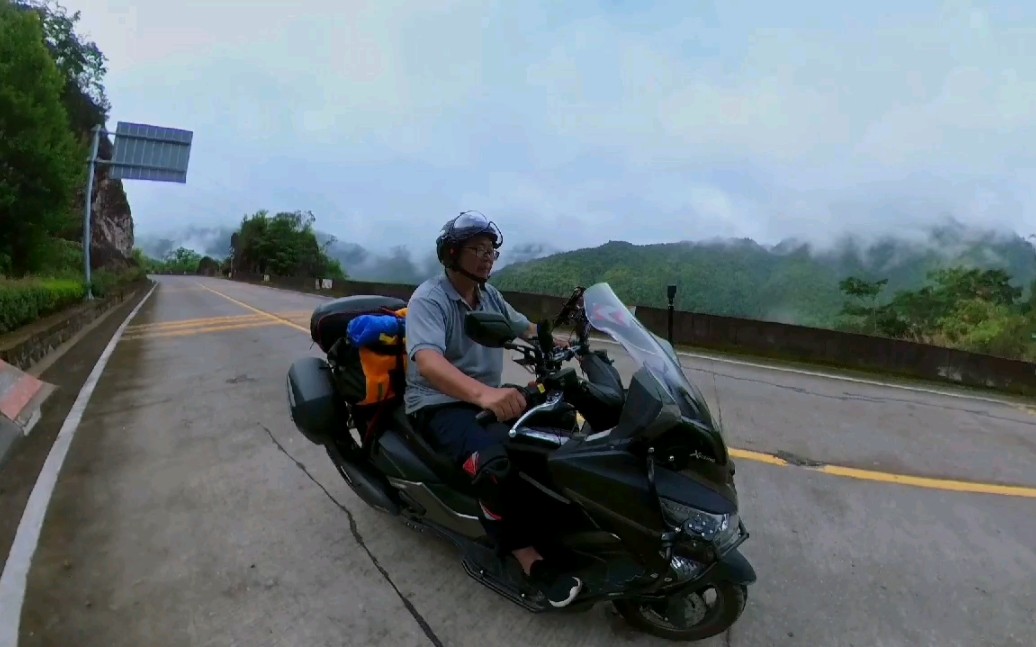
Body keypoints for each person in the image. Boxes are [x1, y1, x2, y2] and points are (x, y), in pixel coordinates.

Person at [403, 211, 584, 608]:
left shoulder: (488, 295)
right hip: (439, 404)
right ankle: (526, 557)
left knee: (556, 429)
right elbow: (428, 362)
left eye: (492, 251)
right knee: (495, 467)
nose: (487, 258)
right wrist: (484, 396)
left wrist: (566, 345)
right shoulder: (430, 299)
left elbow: (523, 328)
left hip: (486, 395)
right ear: (452, 253)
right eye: (478, 250)